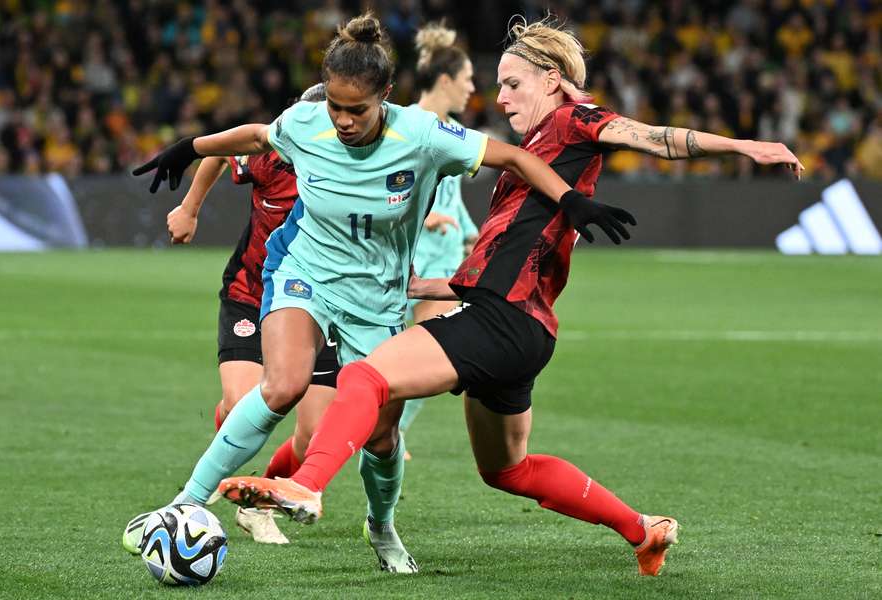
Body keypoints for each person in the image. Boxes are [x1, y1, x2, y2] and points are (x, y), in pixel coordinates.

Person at [218, 17, 804, 577]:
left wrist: (747, 147)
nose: (500, 98)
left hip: (500, 322)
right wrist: (435, 286)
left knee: (365, 378)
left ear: (551, 81)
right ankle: (643, 528)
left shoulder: (575, 120)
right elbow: (513, 252)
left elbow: (656, 138)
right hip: (526, 328)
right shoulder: (537, 147)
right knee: (508, 469)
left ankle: (307, 485)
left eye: (511, 83)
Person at [127, 14, 633, 575]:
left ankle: (382, 525)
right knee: (284, 385)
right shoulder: (306, 121)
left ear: (386, 97)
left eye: (356, 110)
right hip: (305, 272)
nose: (342, 121)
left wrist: (570, 200)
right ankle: (182, 505)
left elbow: (513, 157)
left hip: (377, 296)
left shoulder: (422, 135)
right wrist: (187, 147)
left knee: (383, 437)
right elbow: (254, 135)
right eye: (335, 108)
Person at [122, 84, 340, 550]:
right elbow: (222, 154)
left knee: (314, 435)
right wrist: (189, 207)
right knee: (247, 401)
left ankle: (256, 493)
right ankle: (236, 502)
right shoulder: (270, 157)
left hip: (319, 306)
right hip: (250, 292)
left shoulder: (347, 168)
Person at [398, 22, 479, 458]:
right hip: (407, 257)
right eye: (467, 78)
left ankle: (394, 431)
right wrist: (418, 213)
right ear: (445, 80)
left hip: (444, 262)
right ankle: (369, 424)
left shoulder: (455, 132)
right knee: (384, 353)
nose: (472, 88)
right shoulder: (408, 124)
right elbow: (390, 183)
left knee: (432, 357)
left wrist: (470, 234)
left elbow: (453, 196)